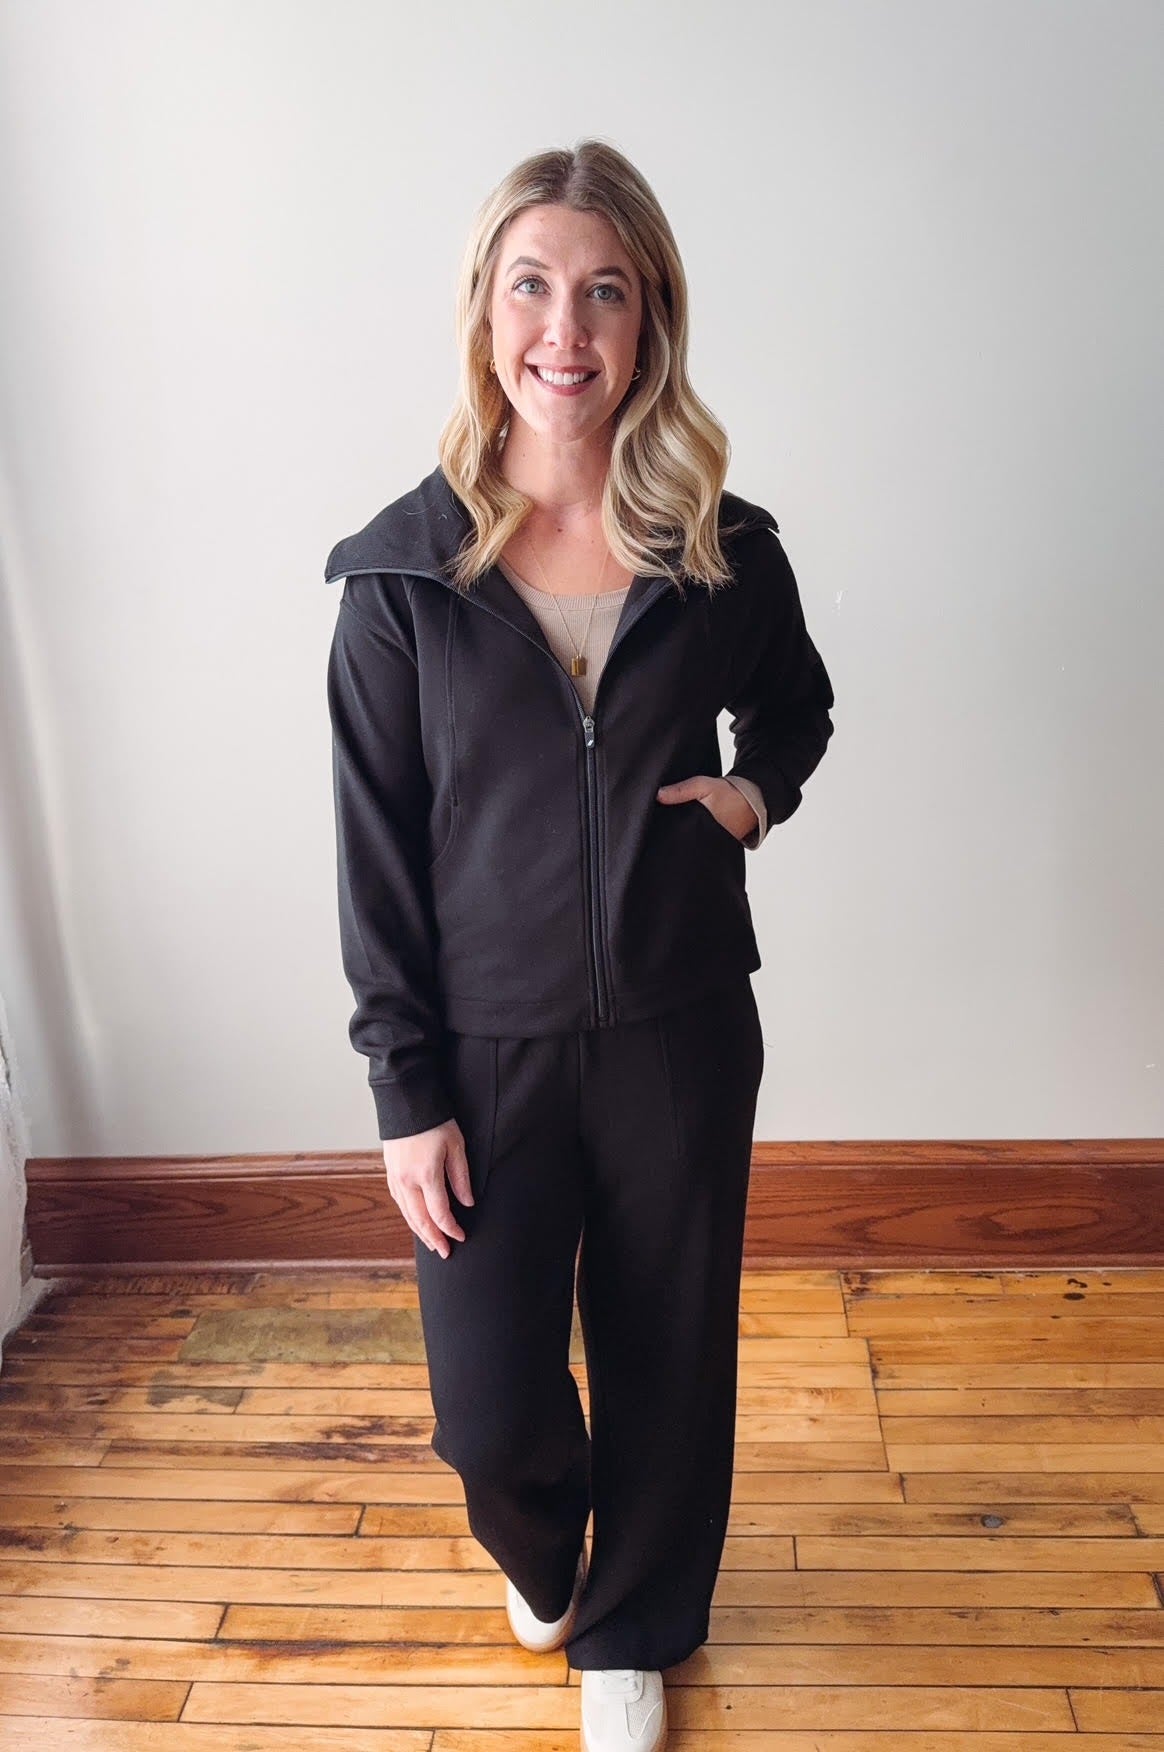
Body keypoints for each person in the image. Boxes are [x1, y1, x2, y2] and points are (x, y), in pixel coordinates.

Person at [325, 138, 836, 1752]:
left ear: (650, 323)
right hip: (482, 1047)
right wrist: (404, 1087)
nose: (569, 328)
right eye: (534, 284)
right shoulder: (401, 582)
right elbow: (373, 856)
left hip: (683, 1025)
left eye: (606, 291)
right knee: (489, 1411)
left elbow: (801, 709)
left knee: (670, 1356)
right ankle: (545, 1556)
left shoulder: (722, 548)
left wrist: (753, 794)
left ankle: (638, 1626)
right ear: (485, 312)